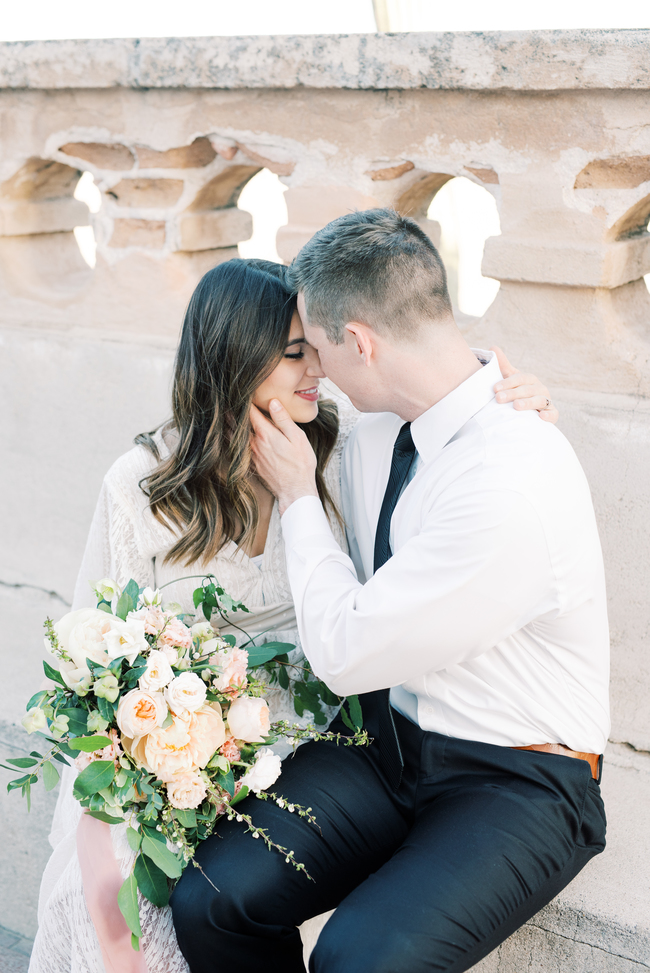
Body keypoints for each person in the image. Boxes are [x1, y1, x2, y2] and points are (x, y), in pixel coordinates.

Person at [30, 256, 555, 973]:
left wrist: (510, 393)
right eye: (293, 354)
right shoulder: (142, 486)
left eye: (317, 348)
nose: (319, 370)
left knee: (229, 896)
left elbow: (442, 406)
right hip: (163, 762)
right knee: (122, 907)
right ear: (236, 358)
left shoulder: (341, 451)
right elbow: (92, 673)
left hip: (306, 753)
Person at [170, 212, 609, 973]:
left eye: (317, 348)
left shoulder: (510, 478)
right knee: (214, 894)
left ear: (361, 342)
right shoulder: (380, 423)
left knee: (361, 960)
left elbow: (345, 652)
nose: (315, 372)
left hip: (516, 781)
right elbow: (243, 407)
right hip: (386, 746)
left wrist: (302, 499)